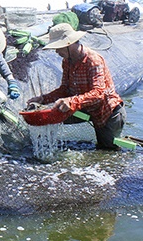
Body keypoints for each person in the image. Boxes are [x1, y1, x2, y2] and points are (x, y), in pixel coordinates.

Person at [26, 22, 125, 150]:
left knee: (107, 150)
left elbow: (98, 93)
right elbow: (65, 89)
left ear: (69, 44)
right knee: (51, 115)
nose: (56, 51)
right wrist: (43, 99)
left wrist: (71, 101)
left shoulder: (93, 60)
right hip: (86, 108)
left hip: (108, 113)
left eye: (58, 47)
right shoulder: (67, 61)